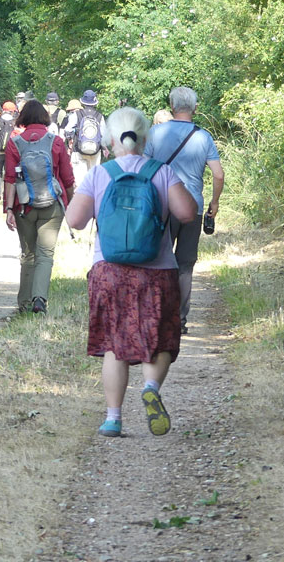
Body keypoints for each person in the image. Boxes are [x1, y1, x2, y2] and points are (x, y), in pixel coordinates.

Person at [66, 106, 197, 438]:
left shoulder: (100, 174)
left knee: (114, 343)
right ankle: (151, 386)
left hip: (109, 272)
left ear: (111, 140)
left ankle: (113, 417)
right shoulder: (161, 172)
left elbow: (75, 221)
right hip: (157, 273)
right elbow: (186, 213)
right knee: (160, 339)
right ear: (145, 139)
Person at [146, 86, 225, 334]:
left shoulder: (155, 133)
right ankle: (179, 321)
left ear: (171, 106)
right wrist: (214, 202)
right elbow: (218, 174)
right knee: (185, 265)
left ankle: (158, 317)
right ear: (196, 108)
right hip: (192, 207)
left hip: (162, 206)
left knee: (159, 261)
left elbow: (143, 170)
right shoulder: (203, 137)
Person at [3, 98, 76, 315]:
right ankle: (39, 300)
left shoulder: (14, 142)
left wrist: (8, 209)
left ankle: (24, 303)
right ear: (44, 117)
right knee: (46, 254)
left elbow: (9, 178)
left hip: (24, 206)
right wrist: (70, 203)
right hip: (52, 204)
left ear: (23, 117)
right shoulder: (56, 141)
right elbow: (68, 177)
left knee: (28, 254)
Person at [70, 89, 108, 184]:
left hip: (78, 150)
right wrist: (105, 149)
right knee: (94, 180)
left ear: (83, 102)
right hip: (95, 151)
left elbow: (68, 130)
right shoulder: (100, 116)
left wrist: (70, 140)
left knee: (80, 181)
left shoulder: (77, 114)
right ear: (95, 102)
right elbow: (104, 135)